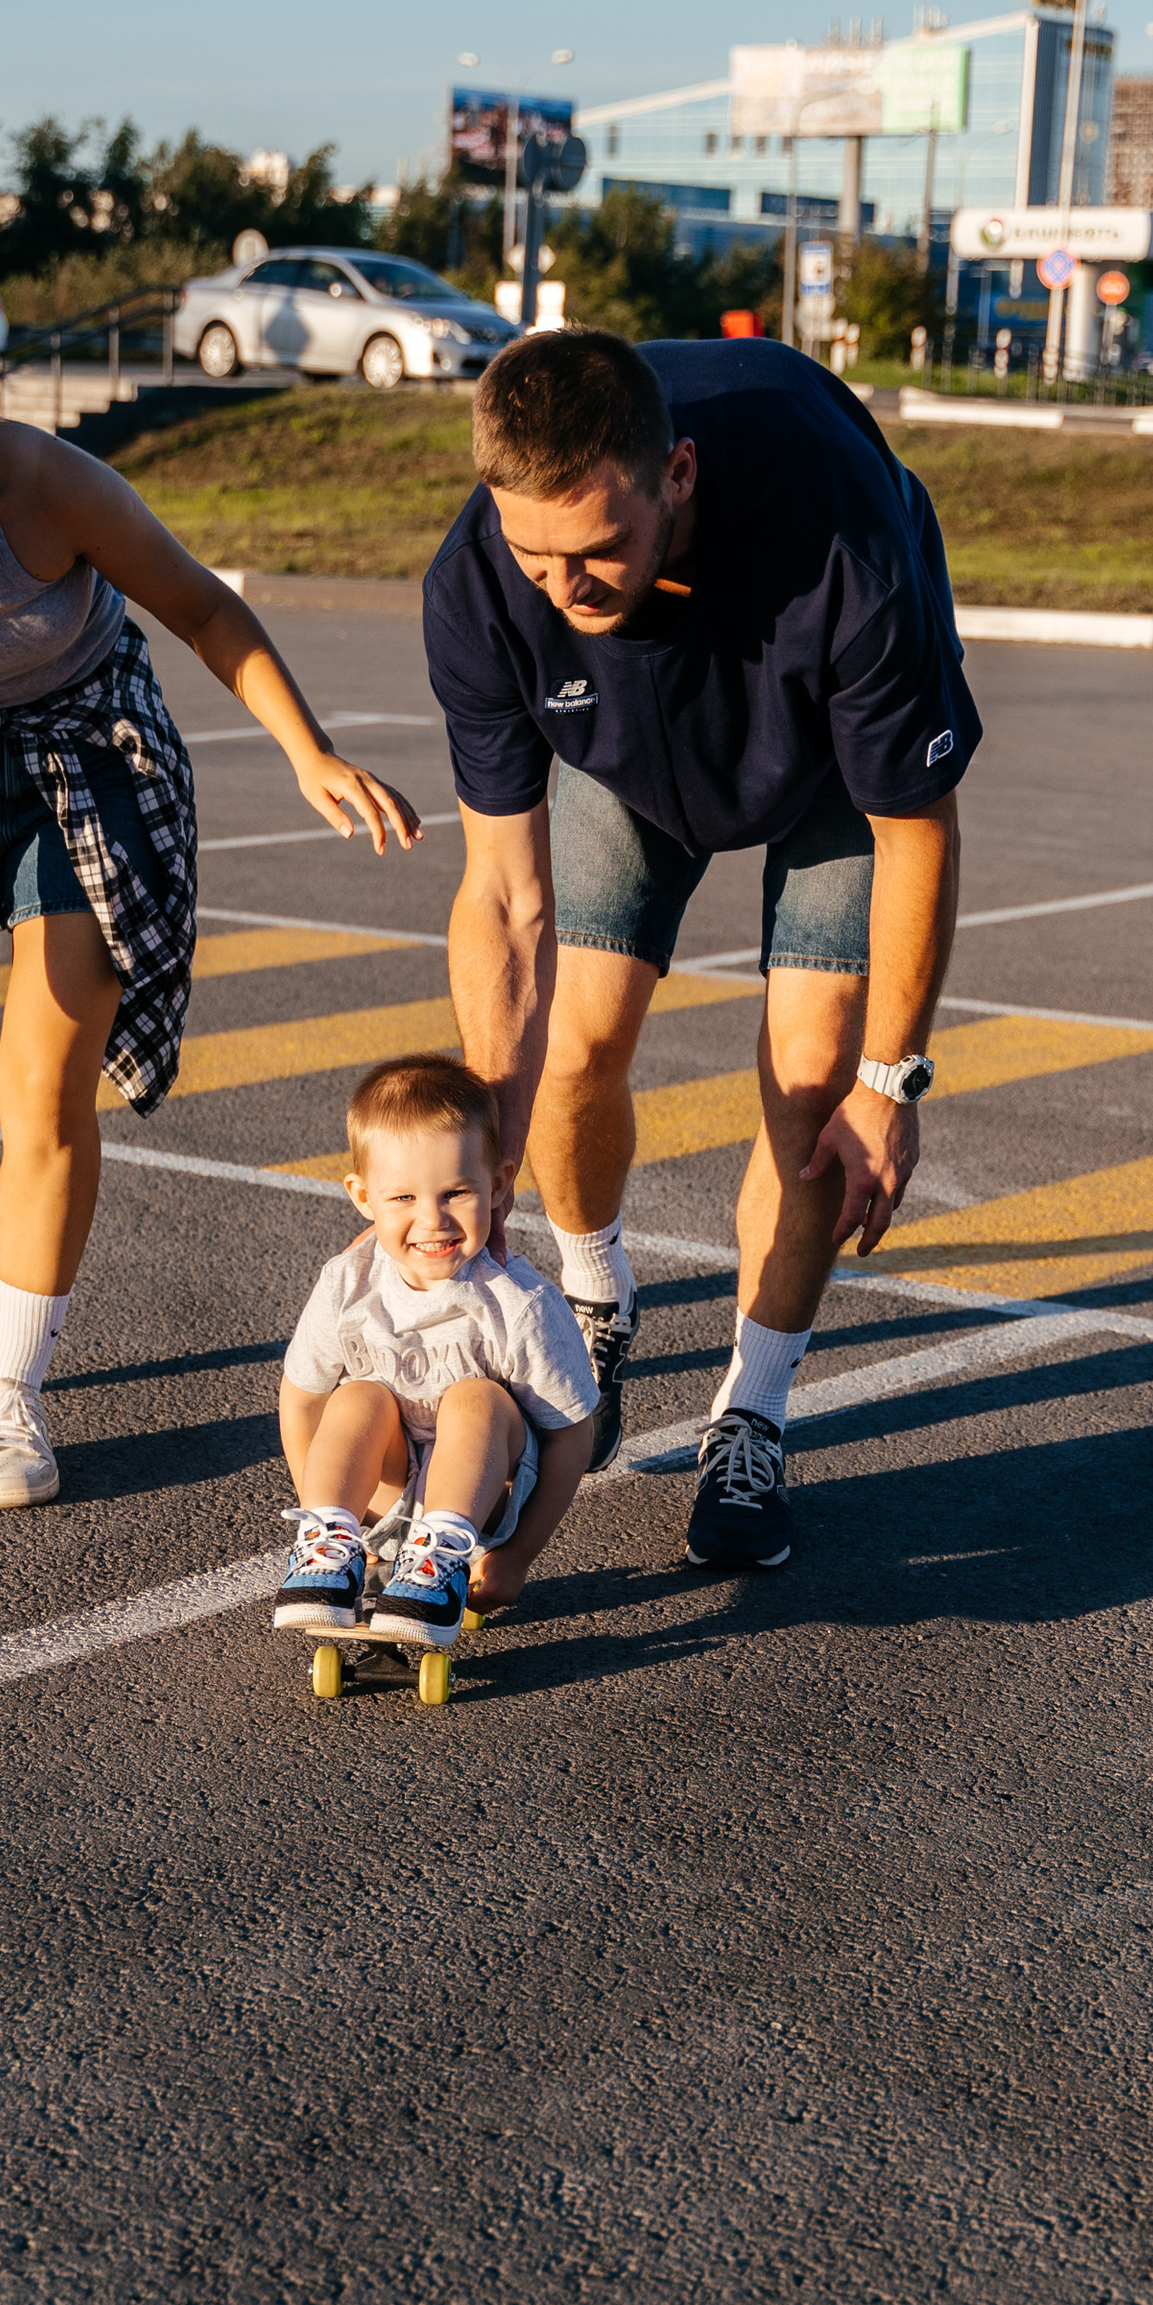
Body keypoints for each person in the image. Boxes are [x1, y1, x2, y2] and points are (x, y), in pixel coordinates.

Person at [0, 337, 418, 1507]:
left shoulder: (36, 481)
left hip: (87, 737)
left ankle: (11, 1391)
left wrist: (306, 750)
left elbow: (204, 606)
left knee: (45, 1086)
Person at [427, 327, 973, 1575]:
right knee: (569, 1048)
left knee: (812, 1080)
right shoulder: (477, 585)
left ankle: (754, 1414)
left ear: (675, 474)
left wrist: (892, 1084)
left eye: (597, 549)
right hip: (627, 756)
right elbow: (504, 894)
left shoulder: (844, 547)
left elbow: (915, 831)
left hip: (827, 760)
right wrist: (488, 1137)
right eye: (534, 554)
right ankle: (597, 1295)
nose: (564, 589)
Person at [273, 1056, 599, 1655]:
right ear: (362, 1196)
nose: (432, 1219)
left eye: (455, 1192)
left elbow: (574, 1435)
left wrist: (518, 1556)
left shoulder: (517, 1303)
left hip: (484, 1503)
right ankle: (329, 1548)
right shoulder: (347, 1284)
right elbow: (299, 1401)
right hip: (384, 1499)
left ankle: (439, 1554)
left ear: (498, 1186)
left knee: (475, 1397)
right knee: (358, 1396)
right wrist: (328, 1508)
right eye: (402, 1197)